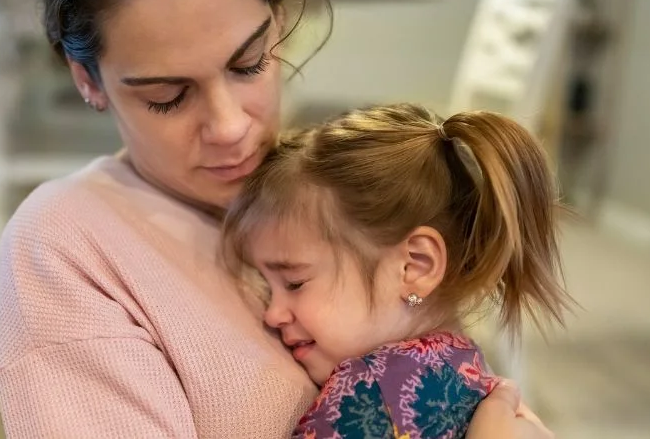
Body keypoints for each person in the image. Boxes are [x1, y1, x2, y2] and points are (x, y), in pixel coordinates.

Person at [0, 0, 556, 437]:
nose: (230, 126)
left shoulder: (322, 194)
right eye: (168, 97)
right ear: (88, 81)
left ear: (280, 23)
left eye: (249, 65)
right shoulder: (66, 243)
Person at [221, 103, 573, 438]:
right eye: (269, 288)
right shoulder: (463, 362)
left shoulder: (371, 393)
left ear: (415, 265)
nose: (272, 314)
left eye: (294, 283)